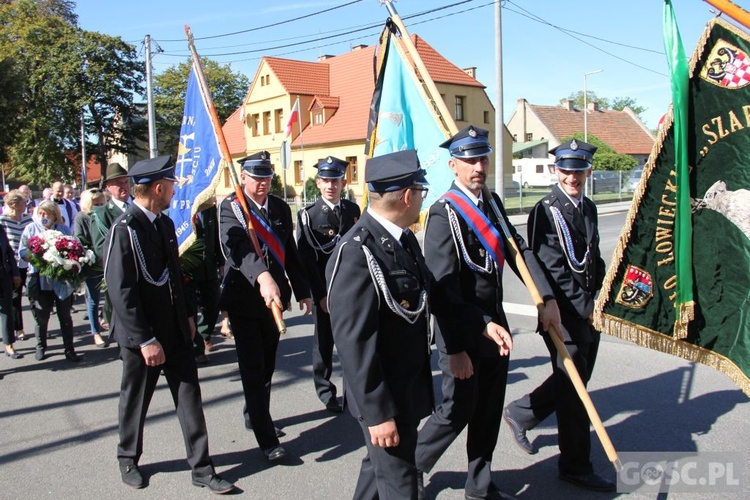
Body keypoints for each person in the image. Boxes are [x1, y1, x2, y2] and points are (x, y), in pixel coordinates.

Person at [415, 125, 557, 500]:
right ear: (453, 165)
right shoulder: (444, 213)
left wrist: (545, 296)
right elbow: (441, 290)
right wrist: (457, 348)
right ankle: (411, 466)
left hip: (497, 329)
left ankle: (479, 487)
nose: (479, 166)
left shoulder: (491, 204)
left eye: (483, 157)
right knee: (457, 411)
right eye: (469, 159)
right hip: (462, 331)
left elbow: (519, 251)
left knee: (488, 411)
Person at [103, 156, 234, 493]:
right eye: (172, 186)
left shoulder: (162, 223)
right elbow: (122, 292)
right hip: (142, 335)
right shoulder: (125, 230)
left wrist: (189, 316)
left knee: (190, 396)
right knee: (136, 398)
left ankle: (202, 467)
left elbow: (175, 276)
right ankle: (128, 457)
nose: (175, 191)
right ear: (158, 188)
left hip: (175, 329)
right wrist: (145, 339)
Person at [504, 139, 614, 492]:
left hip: (588, 311)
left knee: (574, 380)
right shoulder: (545, 210)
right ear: (556, 170)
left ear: (588, 171)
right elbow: (548, 267)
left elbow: (591, 258)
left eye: (579, 170)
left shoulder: (590, 207)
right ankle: (575, 466)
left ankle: (521, 412)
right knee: (574, 393)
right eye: (566, 170)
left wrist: (603, 292)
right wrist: (584, 308)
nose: (572, 177)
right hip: (562, 315)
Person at [326, 150, 435, 499]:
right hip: (384, 399)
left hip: (405, 390)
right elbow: (354, 344)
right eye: (421, 192)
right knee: (402, 487)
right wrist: (377, 415)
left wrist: (479, 323)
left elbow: (432, 293)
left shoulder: (401, 238)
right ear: (407, 196)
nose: (421, 200)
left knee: (378, 473)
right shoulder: (357, 252)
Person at [218, 151, 312, 462]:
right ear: (242, 177)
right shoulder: (230, 208)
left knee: (268, 365)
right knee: (252, 367)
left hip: (276, 302)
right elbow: (239, 250)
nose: (262, 183)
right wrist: (262, 277)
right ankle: (266, 437)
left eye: (267, 176)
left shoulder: (281, 208)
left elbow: (290, 252)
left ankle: (254, 412)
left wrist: (303, 291)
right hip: (245, 299)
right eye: (256, 177)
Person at [296, 156, 360, 413]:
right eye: (325, 180)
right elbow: (307, 262)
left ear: (343, 182)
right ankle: (325, 390)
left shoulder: (352, 211)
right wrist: (319, 295)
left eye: (335, 180)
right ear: (318, 183)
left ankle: (352, 393)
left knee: (352, 342)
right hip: (326, 291)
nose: (330, 185)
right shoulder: (308, 216)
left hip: (351, 290)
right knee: (324, 343)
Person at [19, 201, 81, 362]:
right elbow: (22, 251)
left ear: (55, 215)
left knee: (65, 316)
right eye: (41, 213)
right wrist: (36, 258)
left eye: (47, 214)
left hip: (61, 280)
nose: (43, 217)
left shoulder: (63, 229)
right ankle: (41, 347)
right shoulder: (31, 229)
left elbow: (73, 249)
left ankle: (69, 349)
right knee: (42, 316)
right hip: (40, 279)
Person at [182, 200, 224, 364]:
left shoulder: (209, 208)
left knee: (213, 304)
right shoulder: (181, 206)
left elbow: (216, 237)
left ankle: (204, 334)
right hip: (187, 268)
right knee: (190, 309)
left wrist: (221, 262)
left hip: (208, 267)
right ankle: (197, 347)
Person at [91, 162, 131, 329]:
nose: (124, 187)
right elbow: (101, 247)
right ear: (109, 187)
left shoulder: (138, 207)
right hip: (120, 274)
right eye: (118, 183)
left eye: (126, 182)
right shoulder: (102, 214)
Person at [74, 188, 107, 347]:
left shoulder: (106, 214)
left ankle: (108, 322)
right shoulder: (81, 217)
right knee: (94, 299)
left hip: (108, 262)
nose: (100, 206)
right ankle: (96, 333)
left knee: (112, 298)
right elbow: (80, 240)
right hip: (93, 264)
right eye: (96, 204)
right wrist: (95, 255)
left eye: (102, 203)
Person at [0, 190, 33, 342]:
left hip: (30, 262)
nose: (26, 205)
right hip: (14, 266)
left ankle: (40, 324)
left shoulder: (27, 218)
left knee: (34, 294)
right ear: (14, 205)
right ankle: (18, 328)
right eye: (23, 203)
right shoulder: (3, 221)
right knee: (15, 297)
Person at [0, 223, 21, 359]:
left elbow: (8, 251)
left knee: (7, 309)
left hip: (3, 275)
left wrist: (15, 272)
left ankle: (9, 344)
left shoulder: (0, 228)